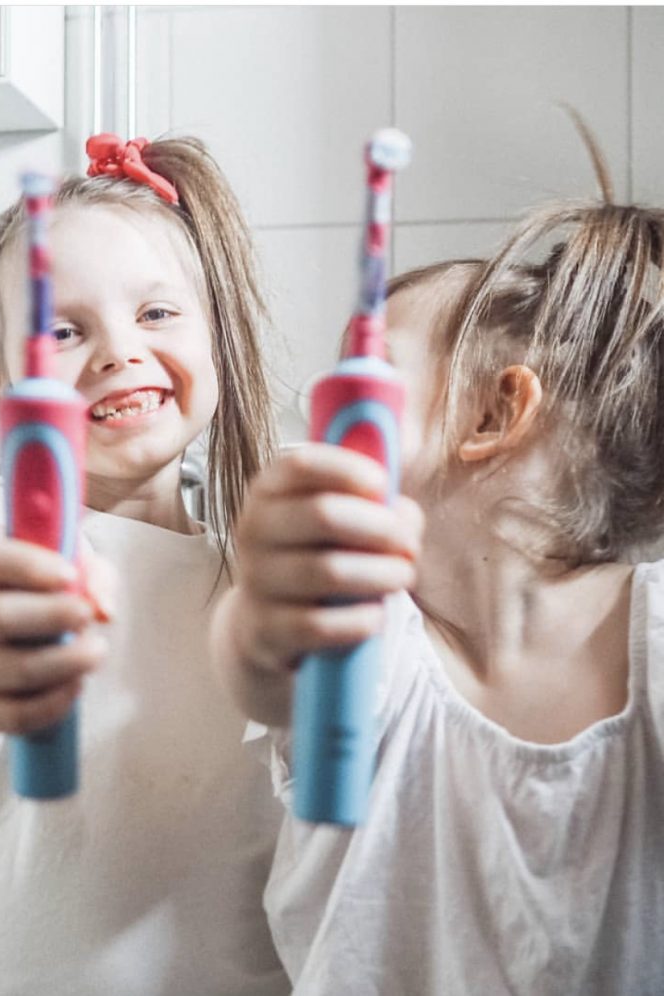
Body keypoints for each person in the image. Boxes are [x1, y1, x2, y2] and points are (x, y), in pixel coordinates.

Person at [210, 134, 664, 994]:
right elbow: (269, 670)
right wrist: (266, 601)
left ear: (495, 412)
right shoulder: (376, 638)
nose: (320, 397)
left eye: (367, 370)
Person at [0, 134, 290, 995]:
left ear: (216, 341)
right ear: (6, 389)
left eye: (157, 314)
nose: (119, 352)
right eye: (66, 330)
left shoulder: (259, 584)